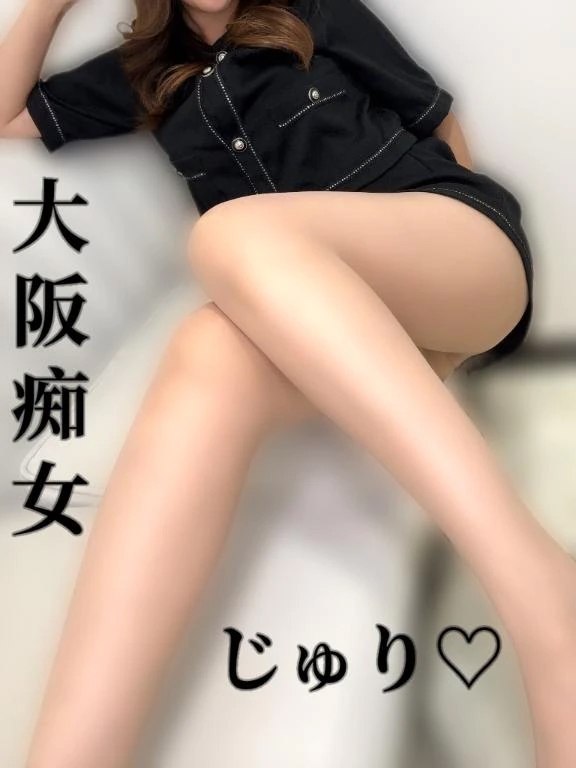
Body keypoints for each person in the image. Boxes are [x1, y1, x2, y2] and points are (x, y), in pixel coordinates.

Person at [1, 0, 574, 765]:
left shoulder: (313, 11)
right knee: (205, 345)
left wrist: (440, 330)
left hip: (456, 246)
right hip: (324, 319)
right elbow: (6, 117)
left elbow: (438, 125)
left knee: (229, 231)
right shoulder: (142, 75)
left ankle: (537, 589)